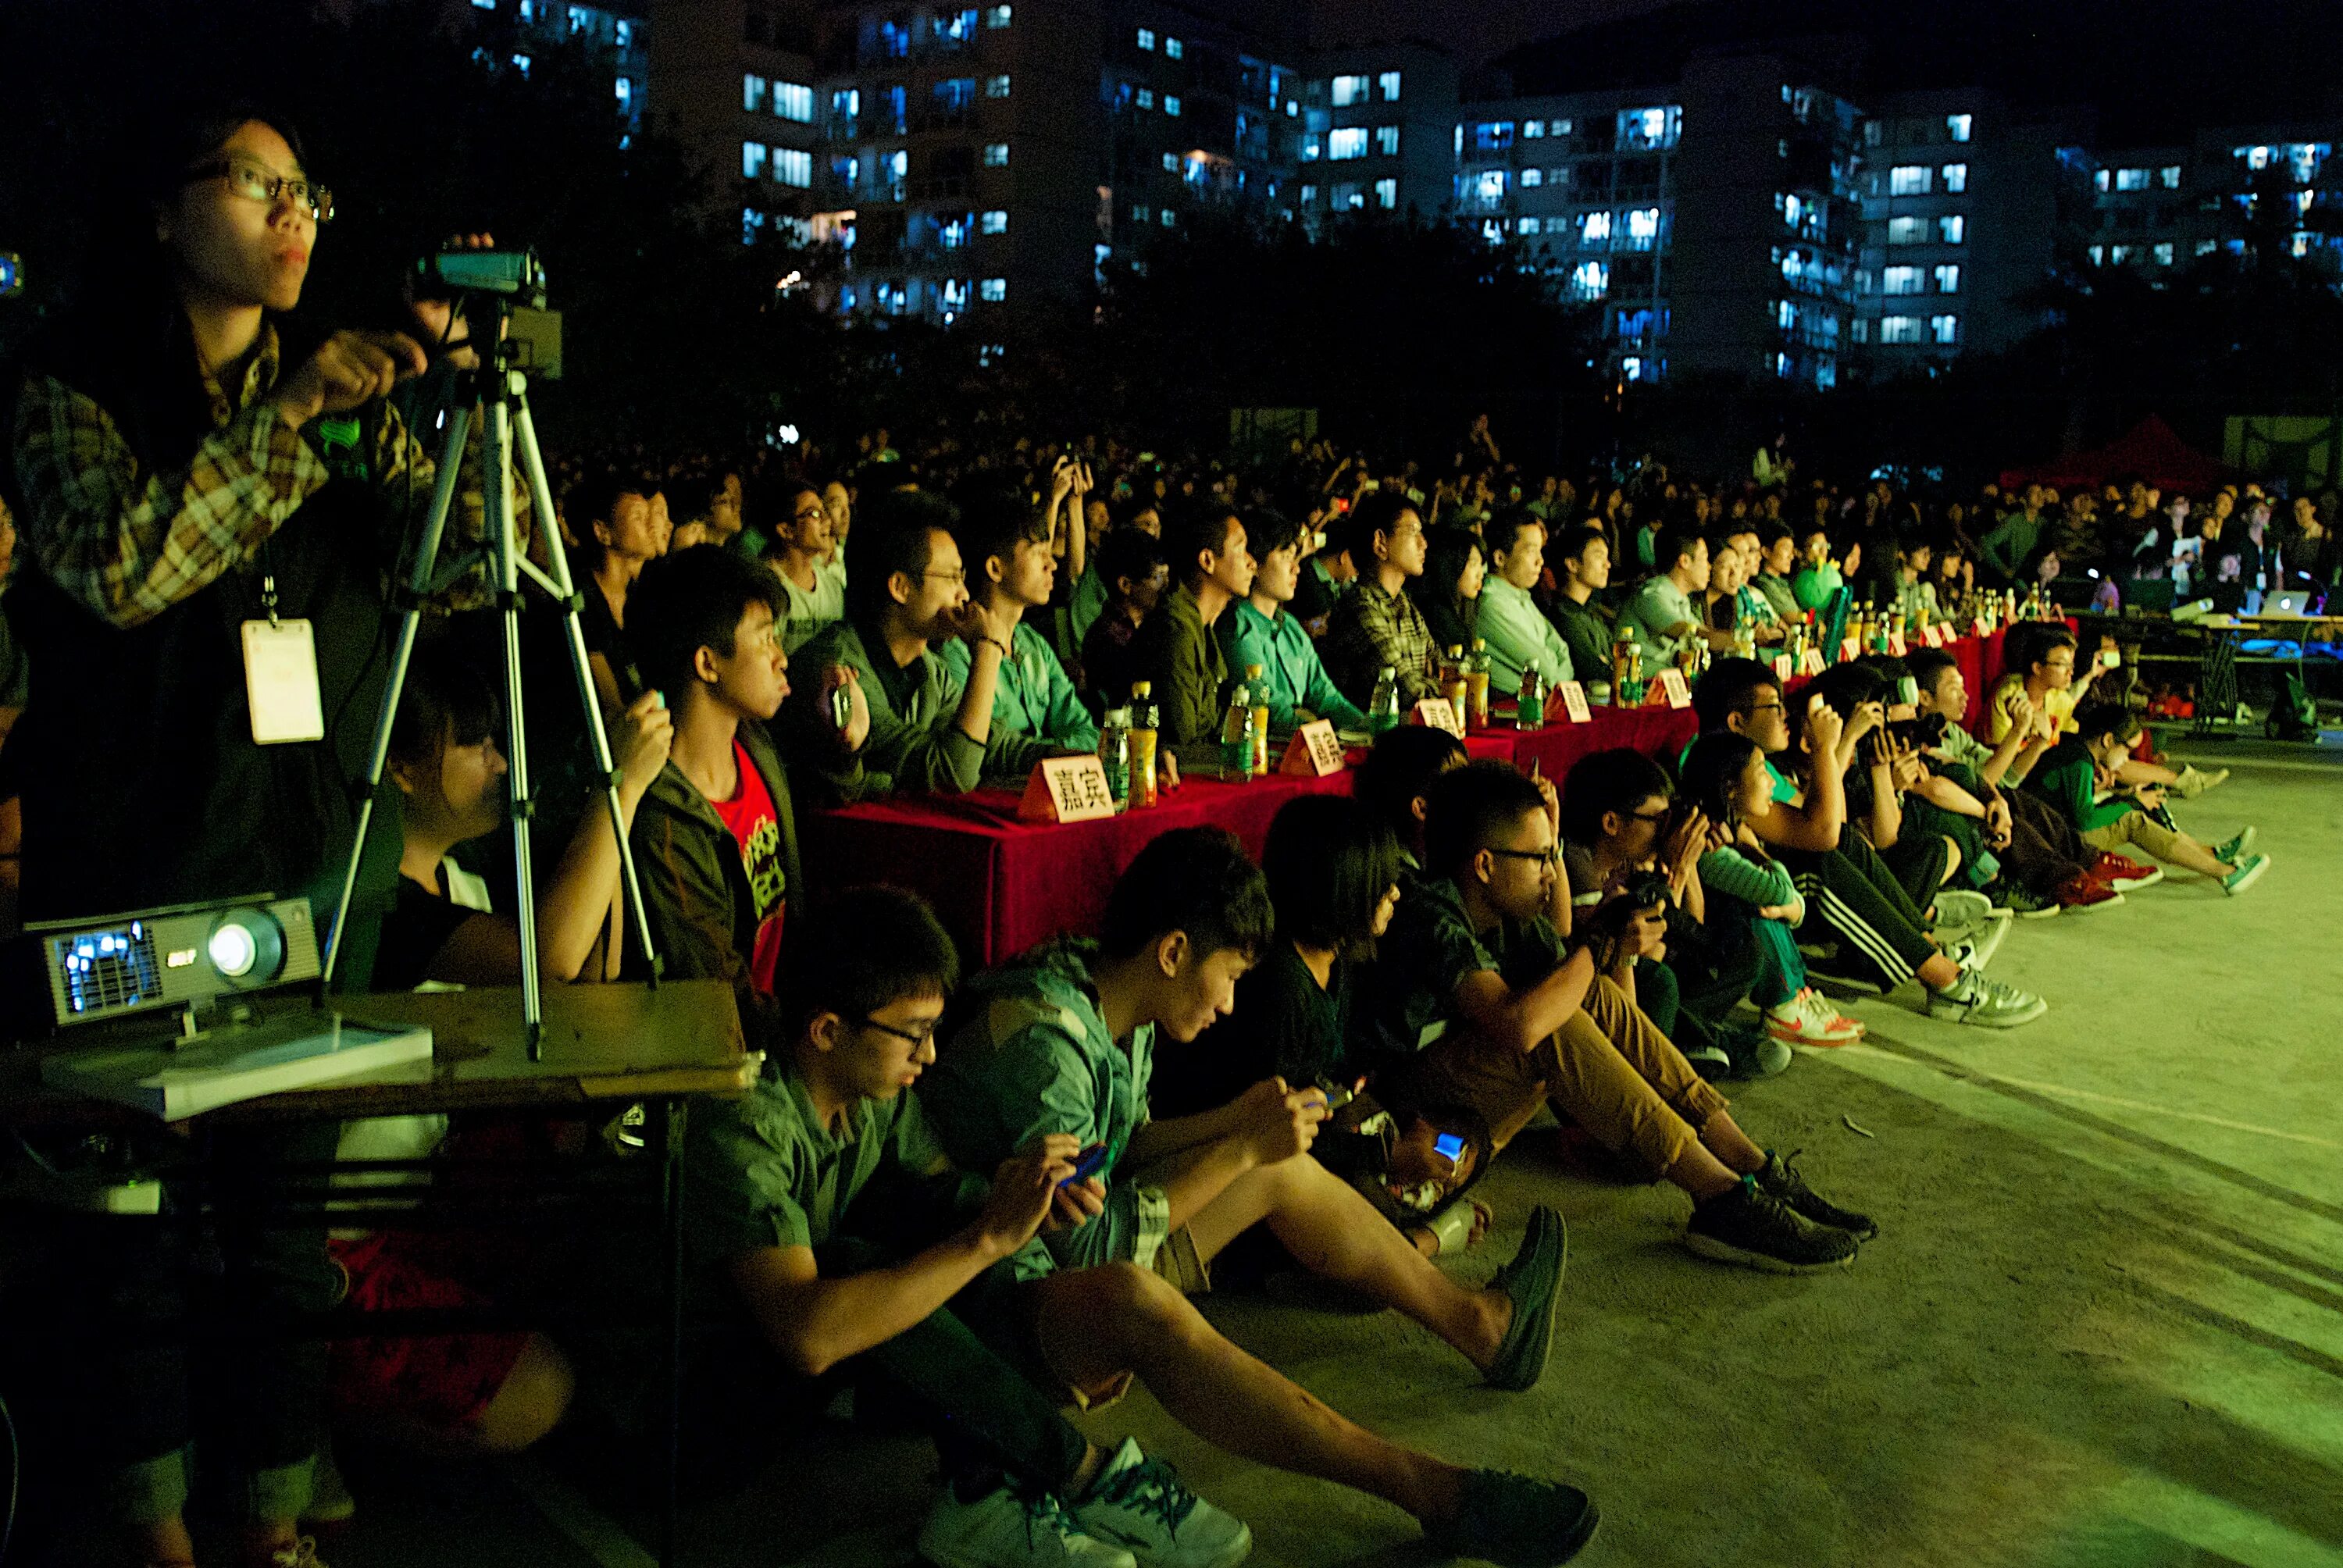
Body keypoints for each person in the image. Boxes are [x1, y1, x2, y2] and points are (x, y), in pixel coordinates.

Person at [4, 99, 501, 1568]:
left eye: (309, 194)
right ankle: (153, 1531)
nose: (295, 216)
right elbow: (118, 565)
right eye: (257, 182)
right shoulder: (68, 386)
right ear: (163, 209)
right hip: (133, 855)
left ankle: (272, 1523)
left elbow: (464, 573)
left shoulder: (344, 393)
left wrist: (449, 404)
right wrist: (286, 425)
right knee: (133, 1231)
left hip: (308, 856)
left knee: (288, 1228)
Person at [682, 885, 1604, 1568]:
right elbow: (806, 1334)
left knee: (1113, 1288)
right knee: (878, 1261)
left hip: (916, 1341)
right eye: (911, 1035)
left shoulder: (884, 1089)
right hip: (736, 1408)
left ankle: (1436, 1486)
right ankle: (1070, 1474)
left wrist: (1008, 1202)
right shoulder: (749, 1125)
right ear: (827, 1030)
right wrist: (995, 1238)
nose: (929, 1056)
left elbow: (947, 1195)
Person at [919, 828, 1570, 1392]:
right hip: (1024, 1293)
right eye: (1228, 975)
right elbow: (1087, 1249)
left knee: (1276, 1165)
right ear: (1173, 952)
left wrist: (1234, 1121)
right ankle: (1477, 1323)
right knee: (1273, 1171)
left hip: (1083, 1241)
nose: (1229, 1003)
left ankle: (1478, 1321)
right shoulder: (1047, 1045)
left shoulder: (1115, 992)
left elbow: (1123, 1145)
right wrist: (1242, 1148)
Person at [1372, 761, 1874, 1271]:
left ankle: (1750, 1164)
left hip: (1467, 1113)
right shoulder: (1430, 914)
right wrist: (1593, 946)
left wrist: (1621, 949)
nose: (1552, 872)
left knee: (1580, 995)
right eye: (1541, 858)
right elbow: (1519, 1026)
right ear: (1484, 864)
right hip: (1403, 1130)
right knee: (1553, 1020)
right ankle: (1721, 1197)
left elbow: (1616, 1018)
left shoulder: (1508, 914)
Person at [1150, 797, 1492, 1258]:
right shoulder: (1279, 985)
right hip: (1237, 1167)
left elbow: (1333, 1082)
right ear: (1342, 885)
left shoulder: (1335, 959)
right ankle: (1416, 1242)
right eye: (1383, 882)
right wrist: (1382, 1156)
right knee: (1366, 1246)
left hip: (1310, 1130)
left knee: (1466, 1143)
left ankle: (1409, 1224)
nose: (1396, 894)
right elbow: (1267, 1127)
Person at [1695, 660, 2047, 1027]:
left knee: (1881, 846)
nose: (1786, 714)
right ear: (1736, 722)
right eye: (1773, 707)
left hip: (1790, 893)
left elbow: (1831, 828)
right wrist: (1829, 748)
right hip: (1759, 910)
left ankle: (1932, 951)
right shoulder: (1724, 771)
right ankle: (1948, 981)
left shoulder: (1749, 763)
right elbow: (1823, 832)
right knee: (1824, 862)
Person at [627, 544, 862, 1042]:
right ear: (708, 664)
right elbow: (721, 994)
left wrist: (842, 748)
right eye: (765, 639)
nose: (782, 658)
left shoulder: (753, 746)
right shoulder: (664, 820)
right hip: (741, 1054)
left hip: (789, 1013)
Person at [784, 488, 1032, 800]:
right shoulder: (838, 669)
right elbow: (952, 774)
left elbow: (999, 747)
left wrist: (1079, 760)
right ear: (900, 587)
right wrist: (988, 648)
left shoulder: (929, 671)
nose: (965, 595)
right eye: (953, 578)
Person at [1672, 736, 1867, 1047]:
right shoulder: (1709, 841)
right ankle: (1785, 1004)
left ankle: (1796, 993)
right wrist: (1756, 854)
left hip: (1721, 940)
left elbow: (1791, 905)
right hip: (1700, 955)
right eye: (1762, 772)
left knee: (1765, 902)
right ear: (1730, 787)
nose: (1772, 784)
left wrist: (1790, 905)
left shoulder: (1731, 829)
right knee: (1756, 907)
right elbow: (1776, 891)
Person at [1903, 646, 2124, 916]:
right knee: (2009, 804)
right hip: (1954, 820)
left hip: (2001, 802)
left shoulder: (1953, 733)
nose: (1965, 696)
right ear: (1923, 697)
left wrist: (2038, 742)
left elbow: (2005, 778)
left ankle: (2086, 862)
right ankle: (2061, 880)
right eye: (1953, 688)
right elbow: (1985, 779)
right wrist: (2018, 731)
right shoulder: (1919, 739)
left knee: (2013, 800)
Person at [2024, 701, 2269, 895]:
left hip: (2050, 832)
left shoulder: (2076, 752)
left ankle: (2210, 855)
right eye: (2127, 750)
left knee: (2131, 808)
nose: (2127, 759)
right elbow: (2085, 820)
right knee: (2132, 820)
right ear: (2108, 740)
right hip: (2050, 842)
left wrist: (2110, 793)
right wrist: (2133, 802)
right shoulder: (2079, 762)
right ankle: (2223, 871)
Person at [937, 483, 1100, 761]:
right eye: (1038, 553)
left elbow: (1084, 728)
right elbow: (988, 750)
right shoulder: (956, 653)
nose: (1053, 564)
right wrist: (1058, 751)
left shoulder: (1033, 645)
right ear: (996, 568)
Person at [1216, 508, 1366, 732]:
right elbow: (1269, 710)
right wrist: (1319, 731)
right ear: (1256, 561)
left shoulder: (1290, 626)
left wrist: (1367, 727)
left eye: (1296, 557)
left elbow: (1325, 695)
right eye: (1286, 557)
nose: (1296, 568)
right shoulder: (1238, 627)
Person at [1132, 504, 1254, 745]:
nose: (1252, 563)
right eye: (1241, 550)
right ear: (1207, 560)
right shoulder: (1175, 630)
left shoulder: (1202, 625)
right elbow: (1183, 737)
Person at [1321, 490, 1441, 705]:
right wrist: (1440, 687)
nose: (1424, 543)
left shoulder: (1404, 605)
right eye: (1413, 531)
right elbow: (1408, 691)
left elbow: (1443, 670)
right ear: (1380, 542)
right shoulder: (1360, 607)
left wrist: (1440, 683)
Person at [578, 471, 672, 711]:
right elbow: (611, 702)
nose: (652, 527)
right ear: (603, 532)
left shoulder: (641, 596)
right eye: (639, 518)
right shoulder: (583, 601)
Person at [1476, 509, 1574, 700]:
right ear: (1500, 558)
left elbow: (1562, 651)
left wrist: (1557, 683)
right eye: (1531, 551)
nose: (1540, 560)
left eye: (1540, 550)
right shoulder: (1492, 605)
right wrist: (1557, 680)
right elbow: (1543, 666)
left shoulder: (1522, 597)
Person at [1077, 526, 1168, 709]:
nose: (1166, 586)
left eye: (1167, 576)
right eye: (1158, 578)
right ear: (1126, 585)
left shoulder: (1152, 622)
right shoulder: (1107, 637)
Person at [1616, 525, 1724, 677]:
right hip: (1639, 689)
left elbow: (1703, 633)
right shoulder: (1652, 595)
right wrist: (1744, 639)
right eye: (1705, 558)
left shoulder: (1682, 600)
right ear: (1684, 561)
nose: (1709, 567)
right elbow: (1691, 633)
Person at [758, 477, 845, 654]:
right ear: (786, 530)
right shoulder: (765, 589)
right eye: (814, 514)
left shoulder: (833, 587)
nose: (827, 521)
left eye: (824, 512)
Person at [1544, 526, 1614, 687]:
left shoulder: (1592, 612)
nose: (1607, 564)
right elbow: (1594, 671)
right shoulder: (1563, 615)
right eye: (1599, 556)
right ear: (1573, 565)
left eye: (1607, 556)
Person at [1409, 526, 1485, 657]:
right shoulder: (1434, 613)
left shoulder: (1466, 608)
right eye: (1473, 564)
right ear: (1451, 565)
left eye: (1481, 565)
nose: (1480, 574)